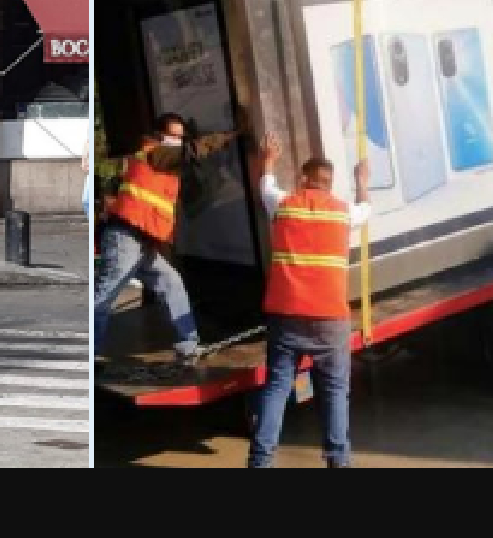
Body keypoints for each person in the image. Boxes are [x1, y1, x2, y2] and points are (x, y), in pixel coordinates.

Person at [247, 131, 369, 469]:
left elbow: (265, 187)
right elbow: (366, 209)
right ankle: (338, 461)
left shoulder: (284, 206)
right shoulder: (344, 213)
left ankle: (260, 460)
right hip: (331, 320)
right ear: (329, 184)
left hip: (286, 316)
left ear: (303, 180)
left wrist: (268, 158)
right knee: (334, 391)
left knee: (276, 387)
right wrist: (361, 181)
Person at [93, 111, 241, 368]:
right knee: (107, 295)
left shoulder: (161, 161)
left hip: (140, 240)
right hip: (126, 238)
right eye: (173, 136)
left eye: (180, 137)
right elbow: (191, 152)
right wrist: (228, 137)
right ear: (159, 136)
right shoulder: (155, 153)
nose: (178, 142)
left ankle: (188, 346)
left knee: (172, 283)